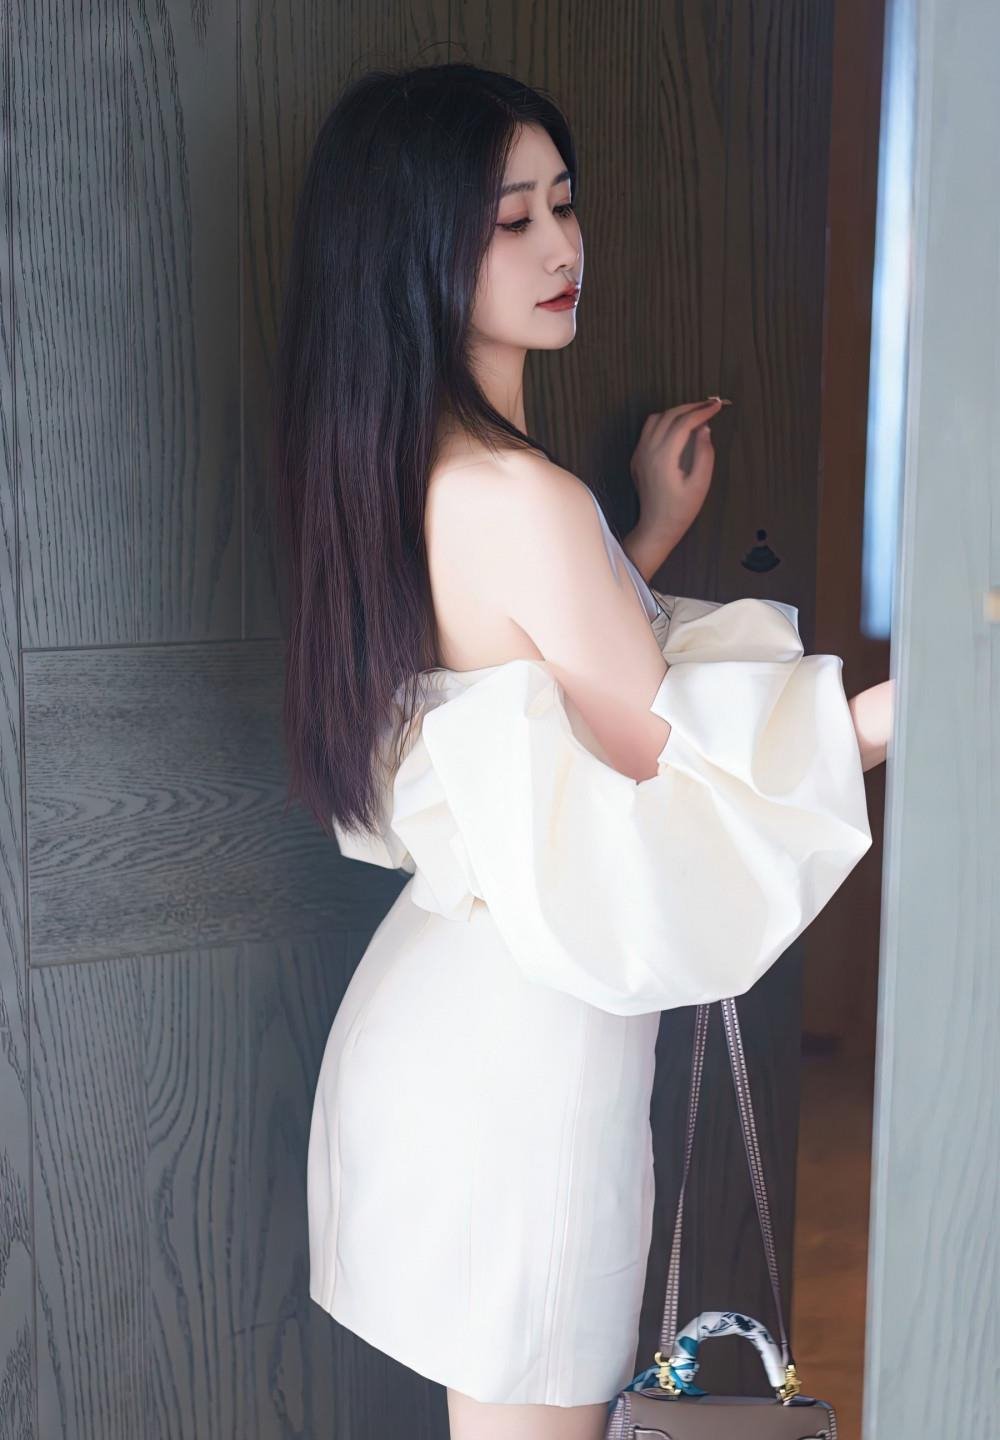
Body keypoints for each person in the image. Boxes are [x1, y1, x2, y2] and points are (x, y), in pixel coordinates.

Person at [271, 61, 892, 1440]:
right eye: (512, 220)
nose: (563, 247)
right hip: (527, 1070)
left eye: (565, 202)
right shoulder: (520, 494)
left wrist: (640, 540)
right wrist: (918, 707)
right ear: (417, 248)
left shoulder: (403, 464)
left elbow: (523, 675)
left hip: (447, 1018)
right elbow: (678, 776)